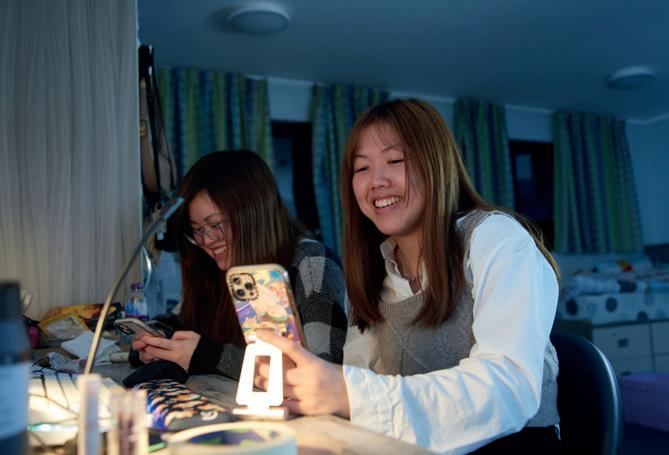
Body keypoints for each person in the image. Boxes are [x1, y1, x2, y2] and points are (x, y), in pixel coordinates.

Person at [255, 99, 561, 454]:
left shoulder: (496, 238)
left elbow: (510, 388)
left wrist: (349, 393)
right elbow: (362, 375)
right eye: (361, 168)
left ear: (436, 164)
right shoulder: (375, 269)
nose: (376, 181)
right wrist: (307, 393)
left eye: (395, 161)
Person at [131, 150, 348, 379]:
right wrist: (155, 341)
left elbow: (321, 374)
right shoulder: (216, 267)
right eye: (197, 230)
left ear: (253, 213)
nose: (207, 240)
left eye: (215, 224)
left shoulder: (311, 264)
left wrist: (207, 356)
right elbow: (177, 322)